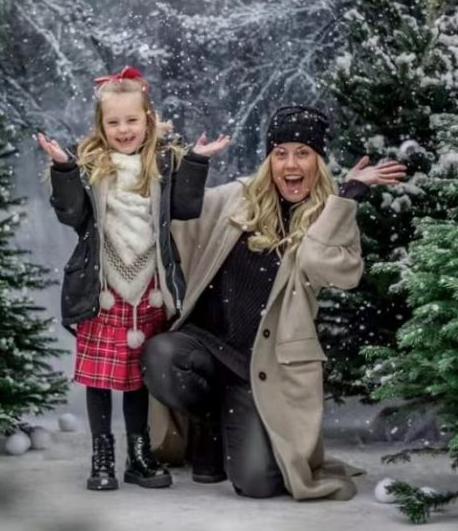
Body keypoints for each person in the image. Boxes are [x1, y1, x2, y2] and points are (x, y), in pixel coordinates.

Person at [141, 105, 406, 499]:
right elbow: (175, 218)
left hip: (260, 368)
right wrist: (163, 149)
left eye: (303, 153)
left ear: (318, 160)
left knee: (259, 483)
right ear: (269, 160)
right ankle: (211, 422)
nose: (290, 164)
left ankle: (231, 427)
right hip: (206, 347)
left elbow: (330, 269)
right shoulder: (236, 199)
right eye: (280, 153)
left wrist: (347, 195)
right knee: (161, 355)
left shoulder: (330, 217)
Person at [36, 66, 230, 491]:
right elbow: (72, 215)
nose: (123, 130)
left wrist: (196, 161)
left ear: (148, 120)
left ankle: (138, 455)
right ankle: (101, 455)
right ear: (100, 126)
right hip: (102, 285)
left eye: (131, 120)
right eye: (113, 122)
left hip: (149, 286)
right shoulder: (89, 166)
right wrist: (65, 169)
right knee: (100, 378)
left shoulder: (161, 163)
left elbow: (184, 208)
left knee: (136, 377)